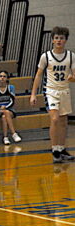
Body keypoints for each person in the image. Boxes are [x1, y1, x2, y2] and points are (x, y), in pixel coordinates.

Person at [30, 26, 75, 163]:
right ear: (52, 40)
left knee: (63, 121)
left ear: (65, 40)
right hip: (50, 91)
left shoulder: (71, 56)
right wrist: (33, 94)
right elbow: (38, 75)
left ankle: (62, 148)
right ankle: (54, 149)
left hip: (64, 90)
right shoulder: (46, 56)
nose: (59, 40)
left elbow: (74, 75)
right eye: (56, 38)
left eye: (61, 38)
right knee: (54, 119)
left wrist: (72, 78)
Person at [0, 71, 21, 145]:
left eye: (4, 76)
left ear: (7, 78)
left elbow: (12, 101)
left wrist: (5, 107)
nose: (2, 78)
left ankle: (5, 137)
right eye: (1, 76)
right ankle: (13, 133)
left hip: (9, 108)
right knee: (5, 113)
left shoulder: (11, 88)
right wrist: (0, 107)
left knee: (5, 115)